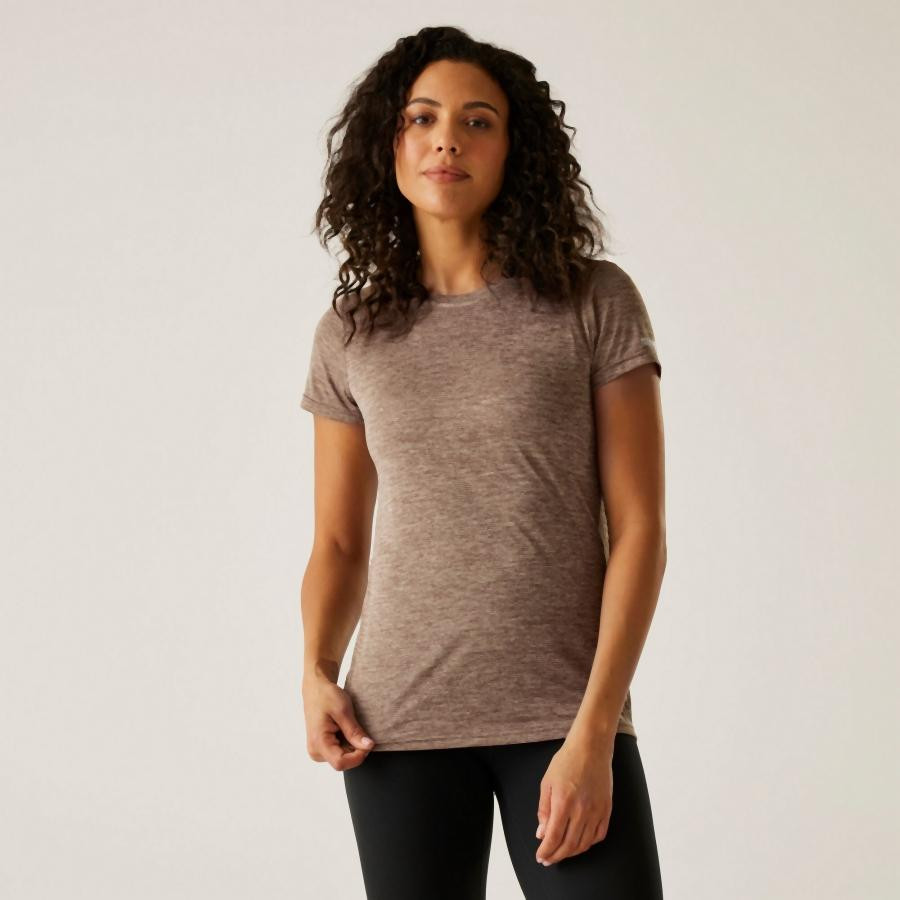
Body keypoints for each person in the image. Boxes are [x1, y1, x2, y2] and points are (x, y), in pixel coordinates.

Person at [299, 26, 666, 899]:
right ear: (388, 143)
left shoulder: (592, 300)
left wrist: (595, 729)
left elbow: (641, 531)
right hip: (397, 723)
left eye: (478, 122)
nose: (447, 141)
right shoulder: (351, 333)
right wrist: (315, 669)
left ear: (515, 149)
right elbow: (340, 544)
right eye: (422, 118)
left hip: (563, 715)